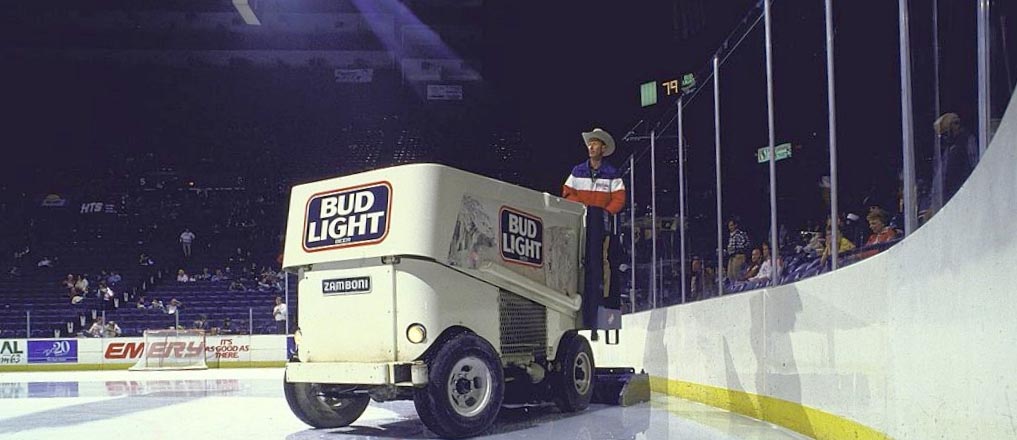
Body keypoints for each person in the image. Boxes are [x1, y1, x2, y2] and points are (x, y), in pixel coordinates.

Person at [562, 128, 626, 215]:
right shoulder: (577, 171)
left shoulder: (612, 174)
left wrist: (605, 213)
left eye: (595, 144)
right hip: (579, 218)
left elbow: (619, 199)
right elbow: (567, 193)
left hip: (601, 223)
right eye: (589, 144)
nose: (591, 148)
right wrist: (581, 209)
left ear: (603, 148)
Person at [725, 218, 751, 283]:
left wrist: (737, 249)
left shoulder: (740, 234)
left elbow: (746, 243)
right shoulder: (730, 236)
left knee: (736, 273)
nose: (730, 227)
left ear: (735, 225)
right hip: (731, 257)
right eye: (729, 226)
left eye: (731, 225)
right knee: (730, 274)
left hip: (738, 256)